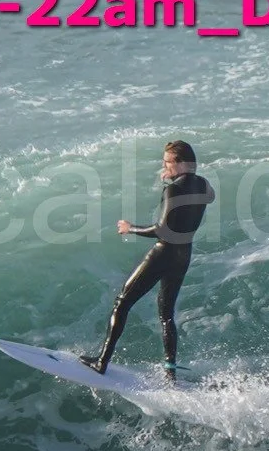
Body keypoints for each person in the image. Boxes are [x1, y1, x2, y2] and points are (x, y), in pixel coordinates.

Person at [86, 140, 215, 380]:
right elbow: (209, 197)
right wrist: (178, 180)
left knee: (122, 303)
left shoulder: (173, 190)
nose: (163, 165)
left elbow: (163, 230)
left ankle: (101, 362)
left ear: (179, 163)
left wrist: (129, 228)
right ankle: (170, 373)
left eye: (167, 162)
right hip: (183, 255)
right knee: (166, 315)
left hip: (164, 252)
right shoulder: (204, 185)